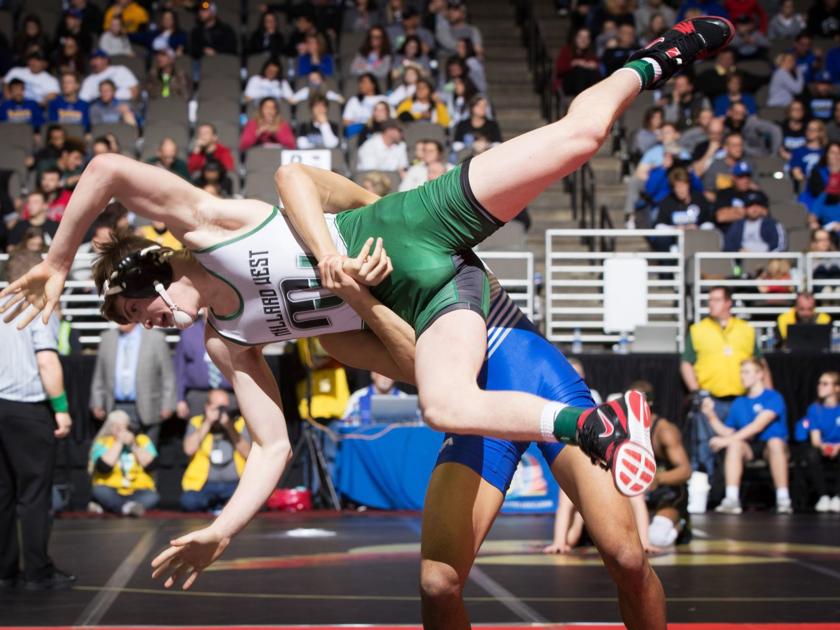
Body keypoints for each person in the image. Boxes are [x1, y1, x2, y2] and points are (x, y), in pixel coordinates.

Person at [1, 17, 735, 587]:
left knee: (579, 137)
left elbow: (126, 168)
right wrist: (223, 528)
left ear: (151, 276)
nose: (155, 328)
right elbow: (275, 445)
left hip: (415, 220)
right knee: (444, 404)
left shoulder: (206, 227)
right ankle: (596, 425)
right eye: (141, 328)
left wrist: (60, 261)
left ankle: (654, 59)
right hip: (433, 294)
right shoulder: (231, 340)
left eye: (140, 313)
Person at [0, 250, 74, 591]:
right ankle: (37, 571)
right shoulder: (36, 305)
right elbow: (47, 362)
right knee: (34, 494)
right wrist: (60, 407)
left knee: (2, 493)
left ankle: (4, 570)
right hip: (26, 409)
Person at [681, 285, 766, 479]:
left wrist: (767, 393)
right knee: (706, 443)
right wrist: (697, 393)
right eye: (709, 300)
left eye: (716, 299)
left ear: (728, 302)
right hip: (711, 398)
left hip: (742, 399)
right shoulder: (698, 330)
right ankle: (708, 487)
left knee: (741, 442)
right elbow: (686, 364)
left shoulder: (746, 330)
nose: (711, 304)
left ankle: (733, 490)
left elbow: (761, 363)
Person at [703, 358, 792, 514]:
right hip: (749, 447)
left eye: (746, 372)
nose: (742, 376)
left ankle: (783, 498)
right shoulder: (739, 402)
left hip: (770, 447)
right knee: (735, 445)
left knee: (775, 443)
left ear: (760, 374)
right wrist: (711, 415)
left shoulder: (773, 397)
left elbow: (757, 426)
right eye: (741, 372)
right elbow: (728, 432)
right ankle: (732, 499)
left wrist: (727, 440)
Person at [89, 322, 176, 445]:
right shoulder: (107, 338)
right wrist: (97, 403)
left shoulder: (156, 338)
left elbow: (168, 375)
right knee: (115, 453)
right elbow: (99, 375)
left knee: (146, 454)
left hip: (149, 407)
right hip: (115, 406)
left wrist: (168, 404)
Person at [630, 380, 692, 548]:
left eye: (637, 403)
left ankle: (682, 524)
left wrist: (657, 478)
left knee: (656, 538)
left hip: (666, 493)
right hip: (638, 495)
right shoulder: (623, 429)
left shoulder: (664, 431)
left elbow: (685, 470)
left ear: (649, 403)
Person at [181, 389, 250, 513]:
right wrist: (207, 422)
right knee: (188, 501)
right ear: (207, 406)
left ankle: (223, 505)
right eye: (217, 407)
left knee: (254, 500)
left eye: (224, 407)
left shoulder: (239, 423)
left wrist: (229, 426)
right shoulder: (196, 422)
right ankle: (220, 505)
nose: (220, 411)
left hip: (235, 484)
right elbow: (189, 449)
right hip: (204, 485)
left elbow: (248, 453)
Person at [88, 409, 159, 516]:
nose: (122, 431)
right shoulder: (103, 442)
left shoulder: (143, 440)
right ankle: (127, 508)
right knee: (99, 491)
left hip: (137, 490)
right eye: (117, 428)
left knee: (153, 497)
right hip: (111, 489)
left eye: (124, 427)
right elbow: (104, 467)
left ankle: (111, 507)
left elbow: (151, 465)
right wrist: (119, 442)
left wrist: (133, 445)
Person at [174, 312, 234, 419]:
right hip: (198, 396)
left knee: (232, 431)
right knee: (196, 431)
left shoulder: (234, 333)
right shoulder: (188, 333)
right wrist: (180, 399)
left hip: (230, 396)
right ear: (204, 309)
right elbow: (179, 370)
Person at [802, 371, 840, 512]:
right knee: (811, 454)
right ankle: (823, 496)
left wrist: (838, 447)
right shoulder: (814, 409)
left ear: (837, 388)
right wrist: (824, 446)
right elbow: (815, 439)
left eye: (825, 384)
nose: (820, 386)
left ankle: (838, 497)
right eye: (819, 383)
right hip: (824, 446)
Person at [722, 190, 787, 252]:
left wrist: (768, 255)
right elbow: (727, 245)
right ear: (745, 209)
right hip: (744, 260)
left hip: (768, 260)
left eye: (758, 205)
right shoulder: (737, 225)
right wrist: (738, 251)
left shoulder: (772, 224)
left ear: (762, 208)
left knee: (777, 263)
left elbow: (780, 245)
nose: (754, 209)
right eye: (750, 206)